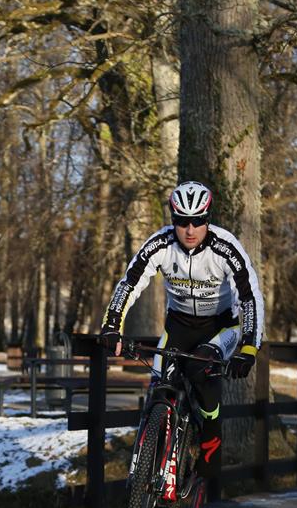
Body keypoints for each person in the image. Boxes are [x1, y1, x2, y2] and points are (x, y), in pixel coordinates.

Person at [99, 180, 264, 481]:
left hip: (221, 326)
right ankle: (154, 459)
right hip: (178, 324)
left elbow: (249, 298)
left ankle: (211, 438)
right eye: (182, 221)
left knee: (201, 368)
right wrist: (111, 325)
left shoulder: (225, 247)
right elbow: (130, 283)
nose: (190, 229)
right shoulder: (160, 244)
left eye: (198, 221)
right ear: (173, 220)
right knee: (161, 383)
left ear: (207, 219)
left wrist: (249, 347)